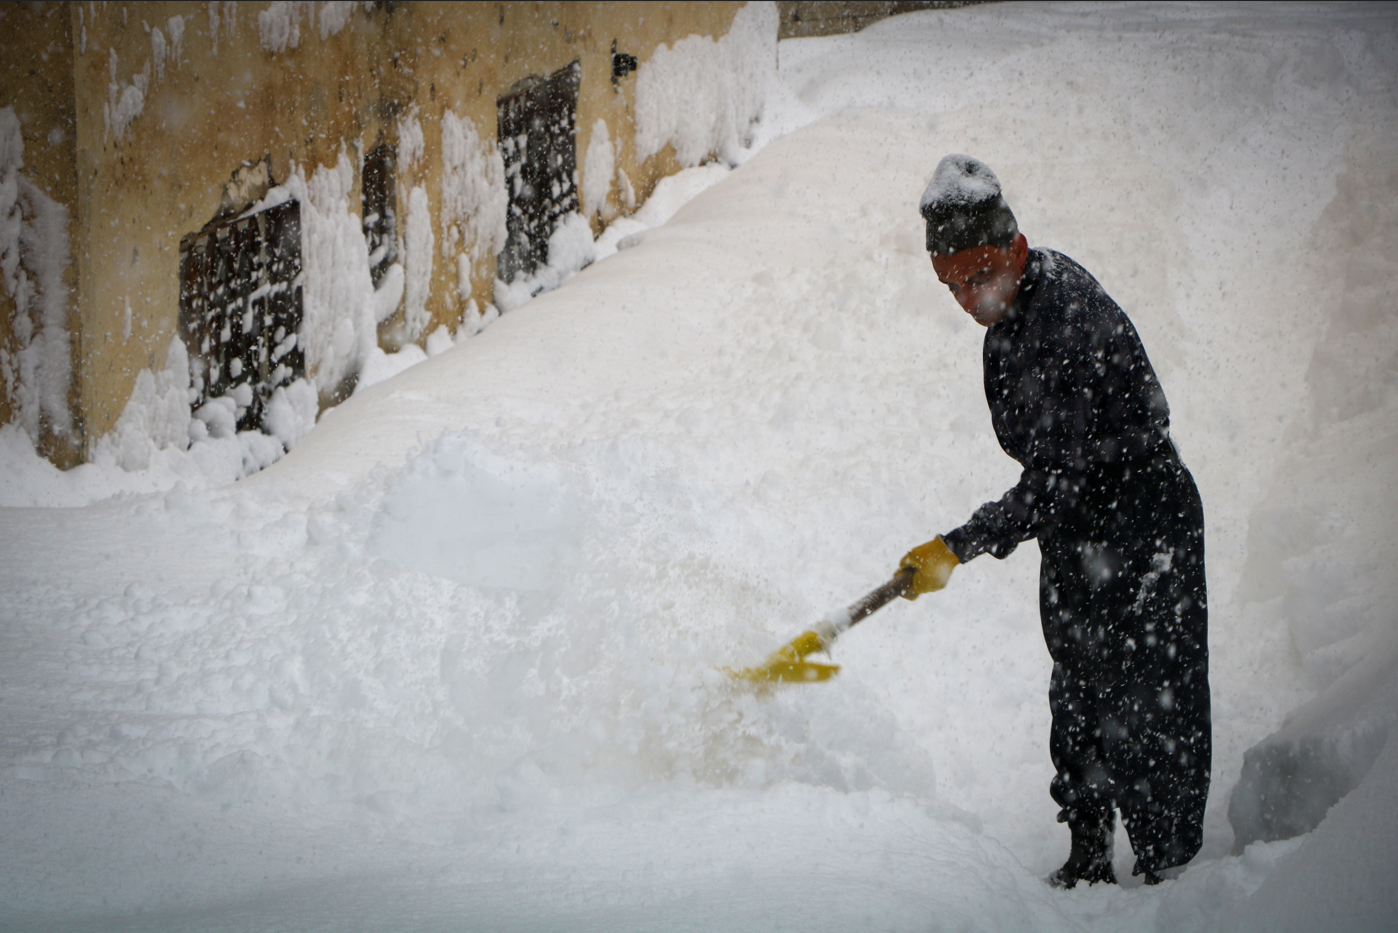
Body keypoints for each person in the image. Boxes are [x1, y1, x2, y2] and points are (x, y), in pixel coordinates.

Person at [897, 155, 1210, 888]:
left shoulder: (1064, 319)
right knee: (1079, 688)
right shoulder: (1014, 313)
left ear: (1014, 245)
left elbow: (1056, 480)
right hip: (1079, 526)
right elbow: (1054, 474)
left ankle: (1173, 874)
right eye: (952, 285)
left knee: (1151, 697)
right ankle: (1089, 853)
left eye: (979, 275)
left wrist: (957, 546)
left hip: (1143, 518)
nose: (969, 299)